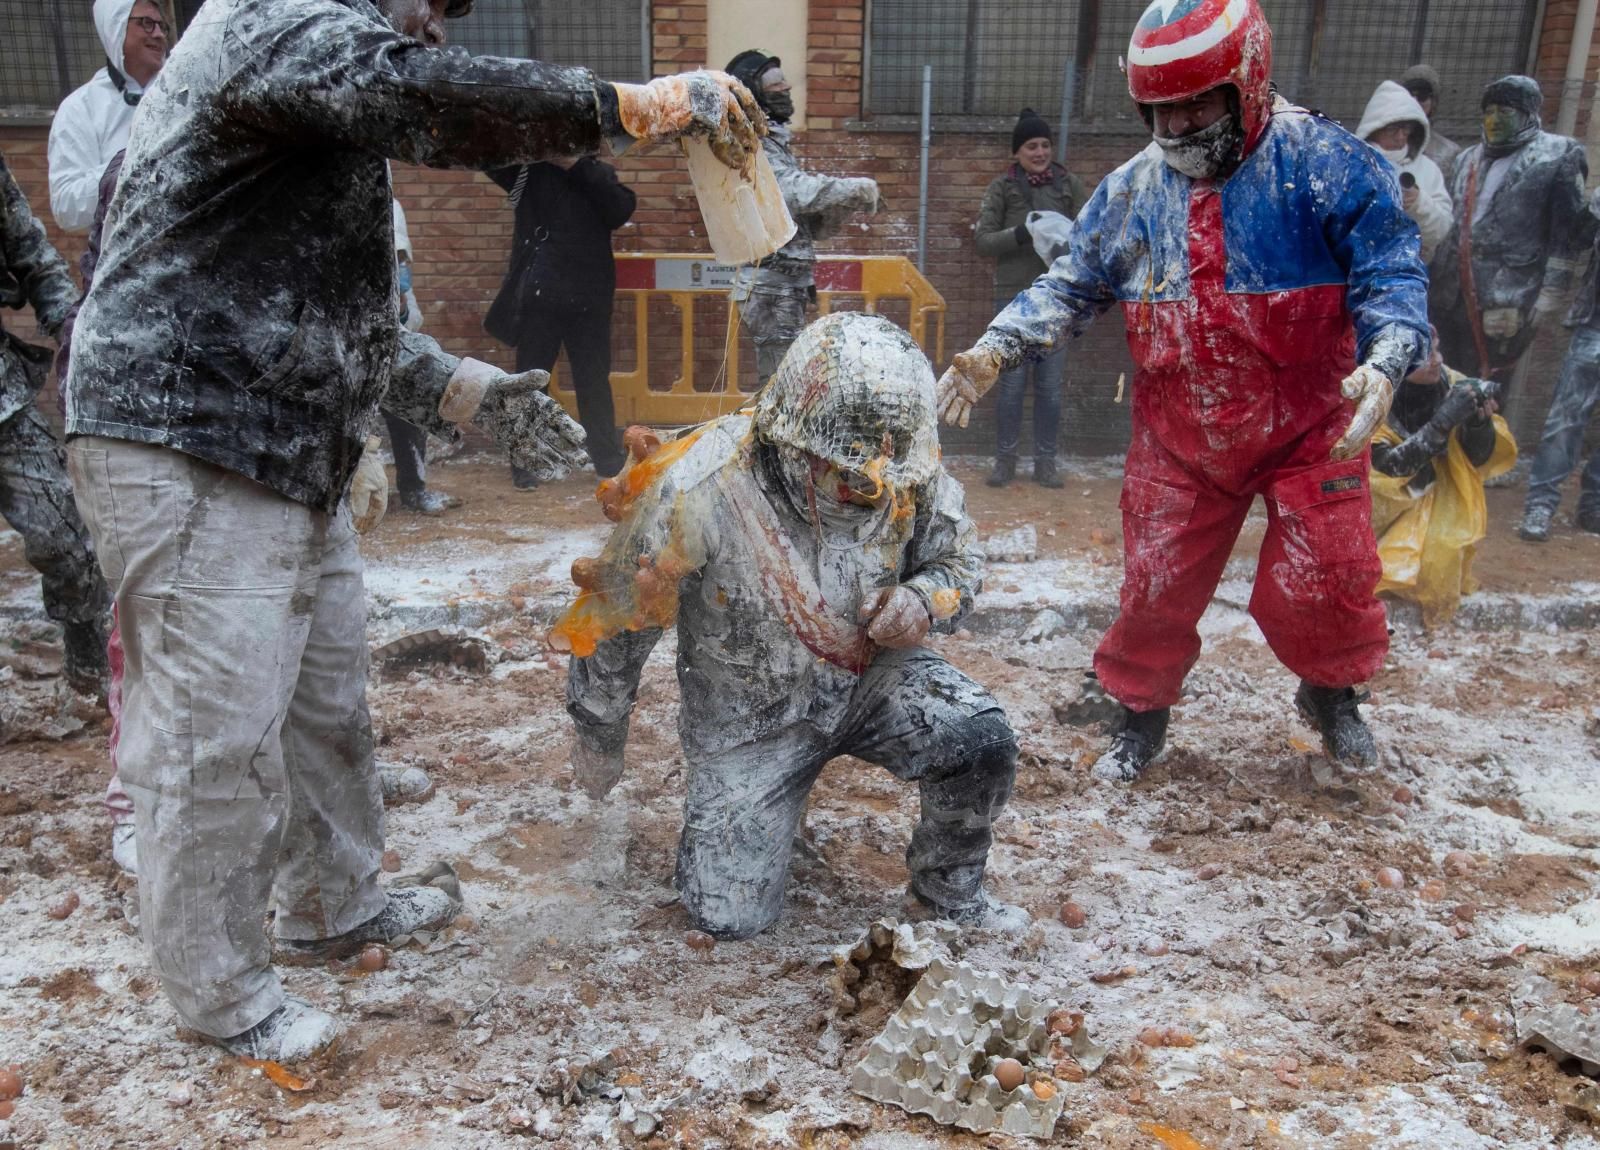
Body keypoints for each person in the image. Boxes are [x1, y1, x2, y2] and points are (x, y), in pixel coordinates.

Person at [62, 0, 763, 1065]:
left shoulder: (315, 95)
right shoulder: (276, 21)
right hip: (185, 427)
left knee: (324, 701)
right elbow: (429, 99)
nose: (439, 22)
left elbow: (333, 318)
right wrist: (627, 104)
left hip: (285, 439)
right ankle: (218, 993)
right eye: (433, 3)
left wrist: (475, 390)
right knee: (219, 733)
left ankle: (335, 904)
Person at [936, 0, 1429, 780]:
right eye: (1160, 110)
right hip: (1181, 436)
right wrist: (999, 346)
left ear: (1248, 83)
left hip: (1312, 429)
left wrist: (1393, 349)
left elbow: (1391, 270)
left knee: (1326, 576)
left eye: (1197, 103)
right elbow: (1071, 286)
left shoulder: (1329, 166)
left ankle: (1332, 697)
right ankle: (1140, 715)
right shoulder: (1132, 193)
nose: (1179, 127)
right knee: (1155, 587)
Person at [555, 312, 1022, 939]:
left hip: (870, 683)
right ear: (797, 442)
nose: (870, 491)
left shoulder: (904, 462)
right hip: (749, 721)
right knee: (728, 919)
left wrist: (924, 596)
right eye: (852, 475)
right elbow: (617, 617)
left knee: (978, 738)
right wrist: (599, 726)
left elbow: (957, 560)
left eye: (883, 478)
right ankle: (754, 828)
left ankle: (949, 893)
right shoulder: (700, 485)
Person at [0, 152, 111, 696]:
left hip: (4, 401)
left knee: (65, 533)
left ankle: (89, 660)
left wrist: (76, 335)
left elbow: (33, 257)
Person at [724, 50, 881, 384]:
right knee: (780, 387)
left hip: (786, 285)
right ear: (752, 95)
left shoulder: (774, 144)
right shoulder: (751, 146)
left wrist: (843, 204)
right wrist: (854, 189)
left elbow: (807, 223)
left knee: (786, 385)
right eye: (774, 83)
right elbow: (792, 192)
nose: (785, 87)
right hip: (768, 285)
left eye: (783, 80)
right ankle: (770, 438)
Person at [1430, 76, 1589, 393]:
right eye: (1488, 111)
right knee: (1443, 382)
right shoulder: (1466, 158)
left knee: (1486, 391)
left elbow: (1566, 233)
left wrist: (1549, 296)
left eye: (1505, 110)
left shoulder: (1558, 155)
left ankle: (1481, 442)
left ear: (1527, 112)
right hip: (1450, 295)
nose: (1494, 119)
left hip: (1506, 299)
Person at [485, 155, 636, 485]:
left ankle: (607, 458)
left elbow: (621, 209)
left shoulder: (595, 173)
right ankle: (526, 462)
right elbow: (487, 157)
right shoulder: (528, 170)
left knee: (593, 382)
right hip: (542, 297)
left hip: (588, 301)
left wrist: (577, 165)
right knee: (529, 382)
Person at [974, 109, 1089, 489]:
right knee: (1010, 386)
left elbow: (1092, 232)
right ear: (1017, 153)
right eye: (1030, 146)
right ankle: (1005, 462)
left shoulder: (1069, 185)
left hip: (1057, 300)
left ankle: (1045, 463)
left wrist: (1066, 244)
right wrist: (1022, 234)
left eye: (1044, 145)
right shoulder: (1002, 188)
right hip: (1013, 301)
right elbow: (983, 241)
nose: (1039, 152)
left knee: (1050, 389)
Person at [1369, 342, 1516, 624]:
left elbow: (1476, 458)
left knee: (1441, 557)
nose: (1436, 360)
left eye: (1437, 349)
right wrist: (1442, 421)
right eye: (1425, 356)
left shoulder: (1453, 382)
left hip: (1436, 492)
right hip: (1382, 500)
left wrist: (1478, 424)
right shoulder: (1373, 394)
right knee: (1380, 567)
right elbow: (1389, 468)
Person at [1519, 186, 1600, 541]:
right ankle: (1541, 504)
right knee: (1565, 420)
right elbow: (1575, 239)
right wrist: (1593, 208)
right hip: (1594, 325)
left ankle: (1593, 504)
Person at [47, 0, 169, 233]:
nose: (159, 34)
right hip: (122, 265)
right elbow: (67, 208)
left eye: (162, 26)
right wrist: (130, 166)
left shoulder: (184, 90)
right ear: (116, 26)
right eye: (146, 23)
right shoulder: (80, 108)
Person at [385, 197, 461, 514]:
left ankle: (414, 488)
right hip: (348, 328)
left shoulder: (389, 204)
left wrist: (400, 301)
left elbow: (400, 261)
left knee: (409, 409)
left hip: (391, 333)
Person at [1356, 81, 1453, 262]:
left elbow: (1441, 230)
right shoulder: (1352, 163)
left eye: (1406, 129)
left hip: (1407, 272)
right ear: (1375, 126)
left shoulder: (1427, 170)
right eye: (1392, 128)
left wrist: (1418, 202)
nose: (1401, 136)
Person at [1400, 65, 1462, 184]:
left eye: (1422, 96)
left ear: (1433, 102)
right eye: (1409, 95)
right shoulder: (1384, 146)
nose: (1415, 101)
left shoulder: (1450, 153)